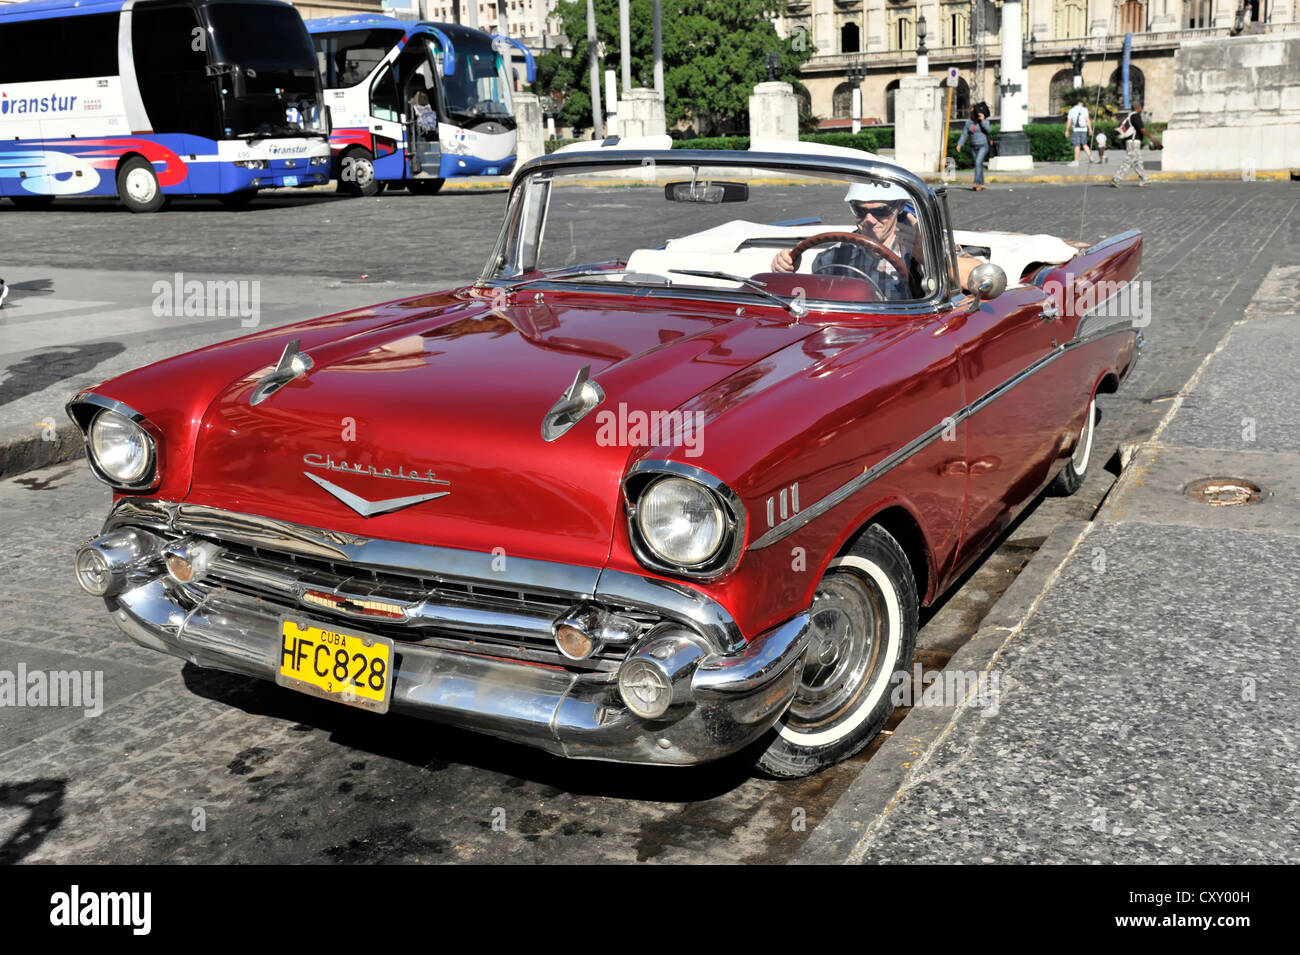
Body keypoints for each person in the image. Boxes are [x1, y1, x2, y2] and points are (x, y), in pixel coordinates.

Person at [769, 184, 985, 297]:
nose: (870, 220)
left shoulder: (922, 240)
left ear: (900, 207)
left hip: (909, 339)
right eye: (860, 210)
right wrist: (788, 268)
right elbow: (815, 300)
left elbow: (981, 278)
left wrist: (928, 259)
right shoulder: (836, 253)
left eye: (881, 211)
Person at [1111, 103, 1161, 187]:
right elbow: (1142, 129)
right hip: (1133, 142)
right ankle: (1116, 179)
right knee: (1129, 160)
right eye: (1141, 107)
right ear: (1138, 107)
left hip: (1131, 141)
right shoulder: (1136, 116)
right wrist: (1151, 138)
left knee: (1137, 162)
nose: (1141, 109)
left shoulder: (1129, 115)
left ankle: (1144, 179)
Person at [955, 105, 992, 191]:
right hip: (973, 146)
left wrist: (982, 120)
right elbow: (964, 134)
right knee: (978, 165)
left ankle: (976, 182)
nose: (972, 114)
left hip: (983, 146)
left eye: (973, 112)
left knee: (978, 163)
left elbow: (989, 130)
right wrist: (959, 144)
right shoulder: (968, 123)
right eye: (971, 112)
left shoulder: (984, 120)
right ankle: (981, 184)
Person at [1065, 99, 1093, 166]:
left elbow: (1069, 121)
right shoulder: (1085, 109)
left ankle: (1076, 161)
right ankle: (1091, 158)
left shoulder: (1071, 110)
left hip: (1076, 130)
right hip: (1084, 129)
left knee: (1076, 145)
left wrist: (1067, 130)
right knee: (1084, 144)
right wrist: (1090, 129)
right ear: (1080, 103)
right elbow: (1088, 120)